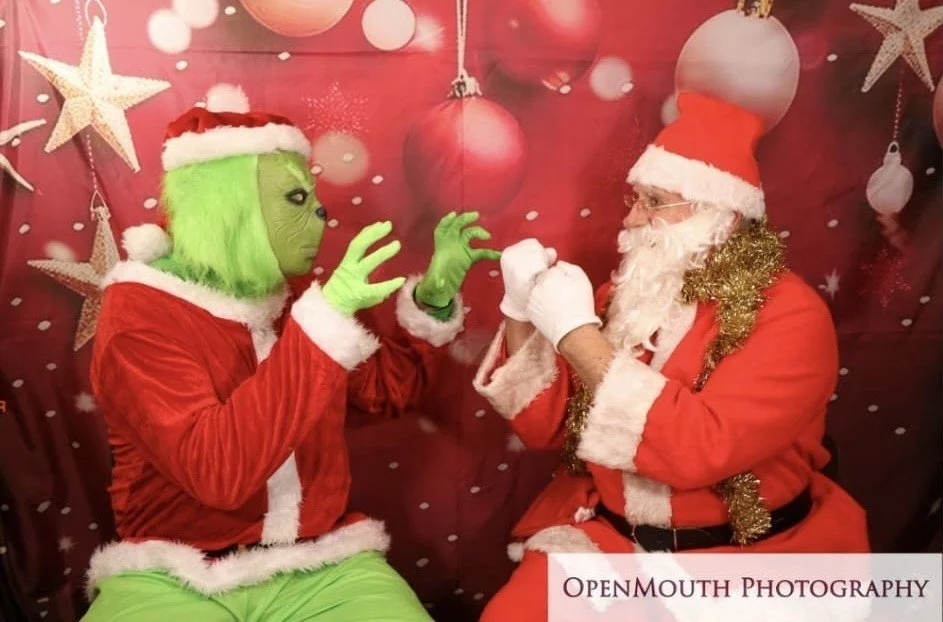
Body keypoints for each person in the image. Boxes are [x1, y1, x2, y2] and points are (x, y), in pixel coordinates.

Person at [81, 84, 499, 622]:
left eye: (314, 197)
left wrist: (434, 297)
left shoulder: (296, 299)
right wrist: (325, 319)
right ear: (230, 207)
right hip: (174, 572)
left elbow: (387, 390)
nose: (323, 216)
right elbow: (219, 473)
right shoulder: (139, 311)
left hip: (320, 563)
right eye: (296, 199)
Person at [473, 91, 870, 621]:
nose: (633, 218)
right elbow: (545, 428)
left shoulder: (790, 315)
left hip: (744, 561)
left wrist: (574, 333)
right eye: (635, 198)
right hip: (614, 545)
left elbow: (699, 449)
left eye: (655, 201)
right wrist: (519, 308)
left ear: (719, 217)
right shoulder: (628, 299)